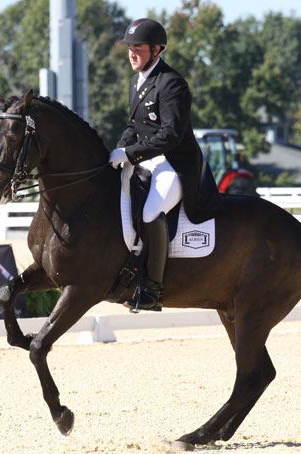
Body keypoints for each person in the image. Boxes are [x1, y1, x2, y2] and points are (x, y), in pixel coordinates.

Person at [109, 18, 223, 312]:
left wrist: (131, 153)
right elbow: (133, 125)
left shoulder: (172, 83)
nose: (132, 53)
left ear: (156, 50)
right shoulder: (137, 81)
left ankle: (152, 290)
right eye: (130, 48)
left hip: (175, 163)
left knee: (150, 212)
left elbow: (171, 134)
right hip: (146, 158)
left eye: (138, 48)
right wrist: (119, 149)